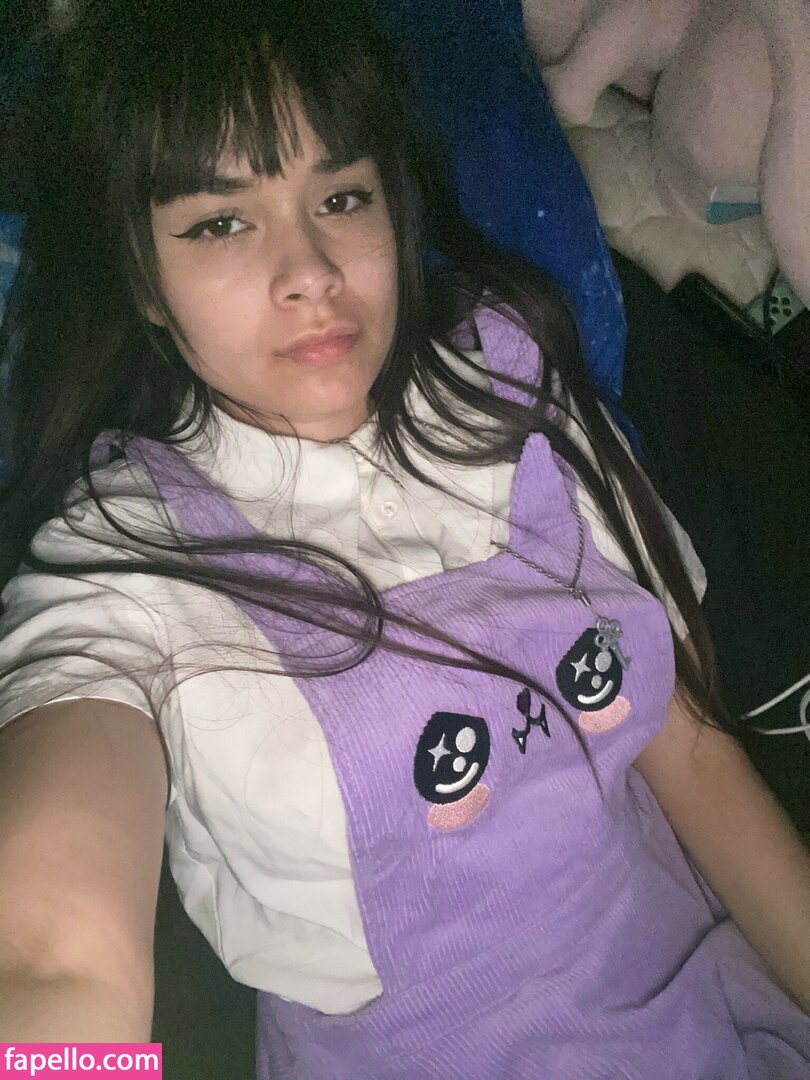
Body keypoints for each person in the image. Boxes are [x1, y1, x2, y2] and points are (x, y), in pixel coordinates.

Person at [0, 0, 808, 1075]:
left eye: (341, 198)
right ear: (145, 280)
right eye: (222, 222)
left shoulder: (508, 378)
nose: (311, 271)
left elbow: (689, 748)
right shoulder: (121, 564)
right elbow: (57, 960)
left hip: (716, 1002)